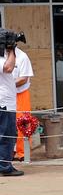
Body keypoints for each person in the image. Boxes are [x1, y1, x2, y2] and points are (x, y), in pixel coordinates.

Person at [0, 41, 23, 176]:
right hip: (4, 102)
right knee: (7, 135)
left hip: (6, 101)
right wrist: (11, 49)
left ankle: (4, 164)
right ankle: (4, 166)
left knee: (7, 134)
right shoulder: (2, 60)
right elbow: (8, 67)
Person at [12, 47, 34, 162]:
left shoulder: (22, 57)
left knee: (23, 123)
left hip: (20, 94)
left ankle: (22, 153)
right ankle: (9, 151)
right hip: (5, 94)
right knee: (6, 123)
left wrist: (8, 85)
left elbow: (24, 79)